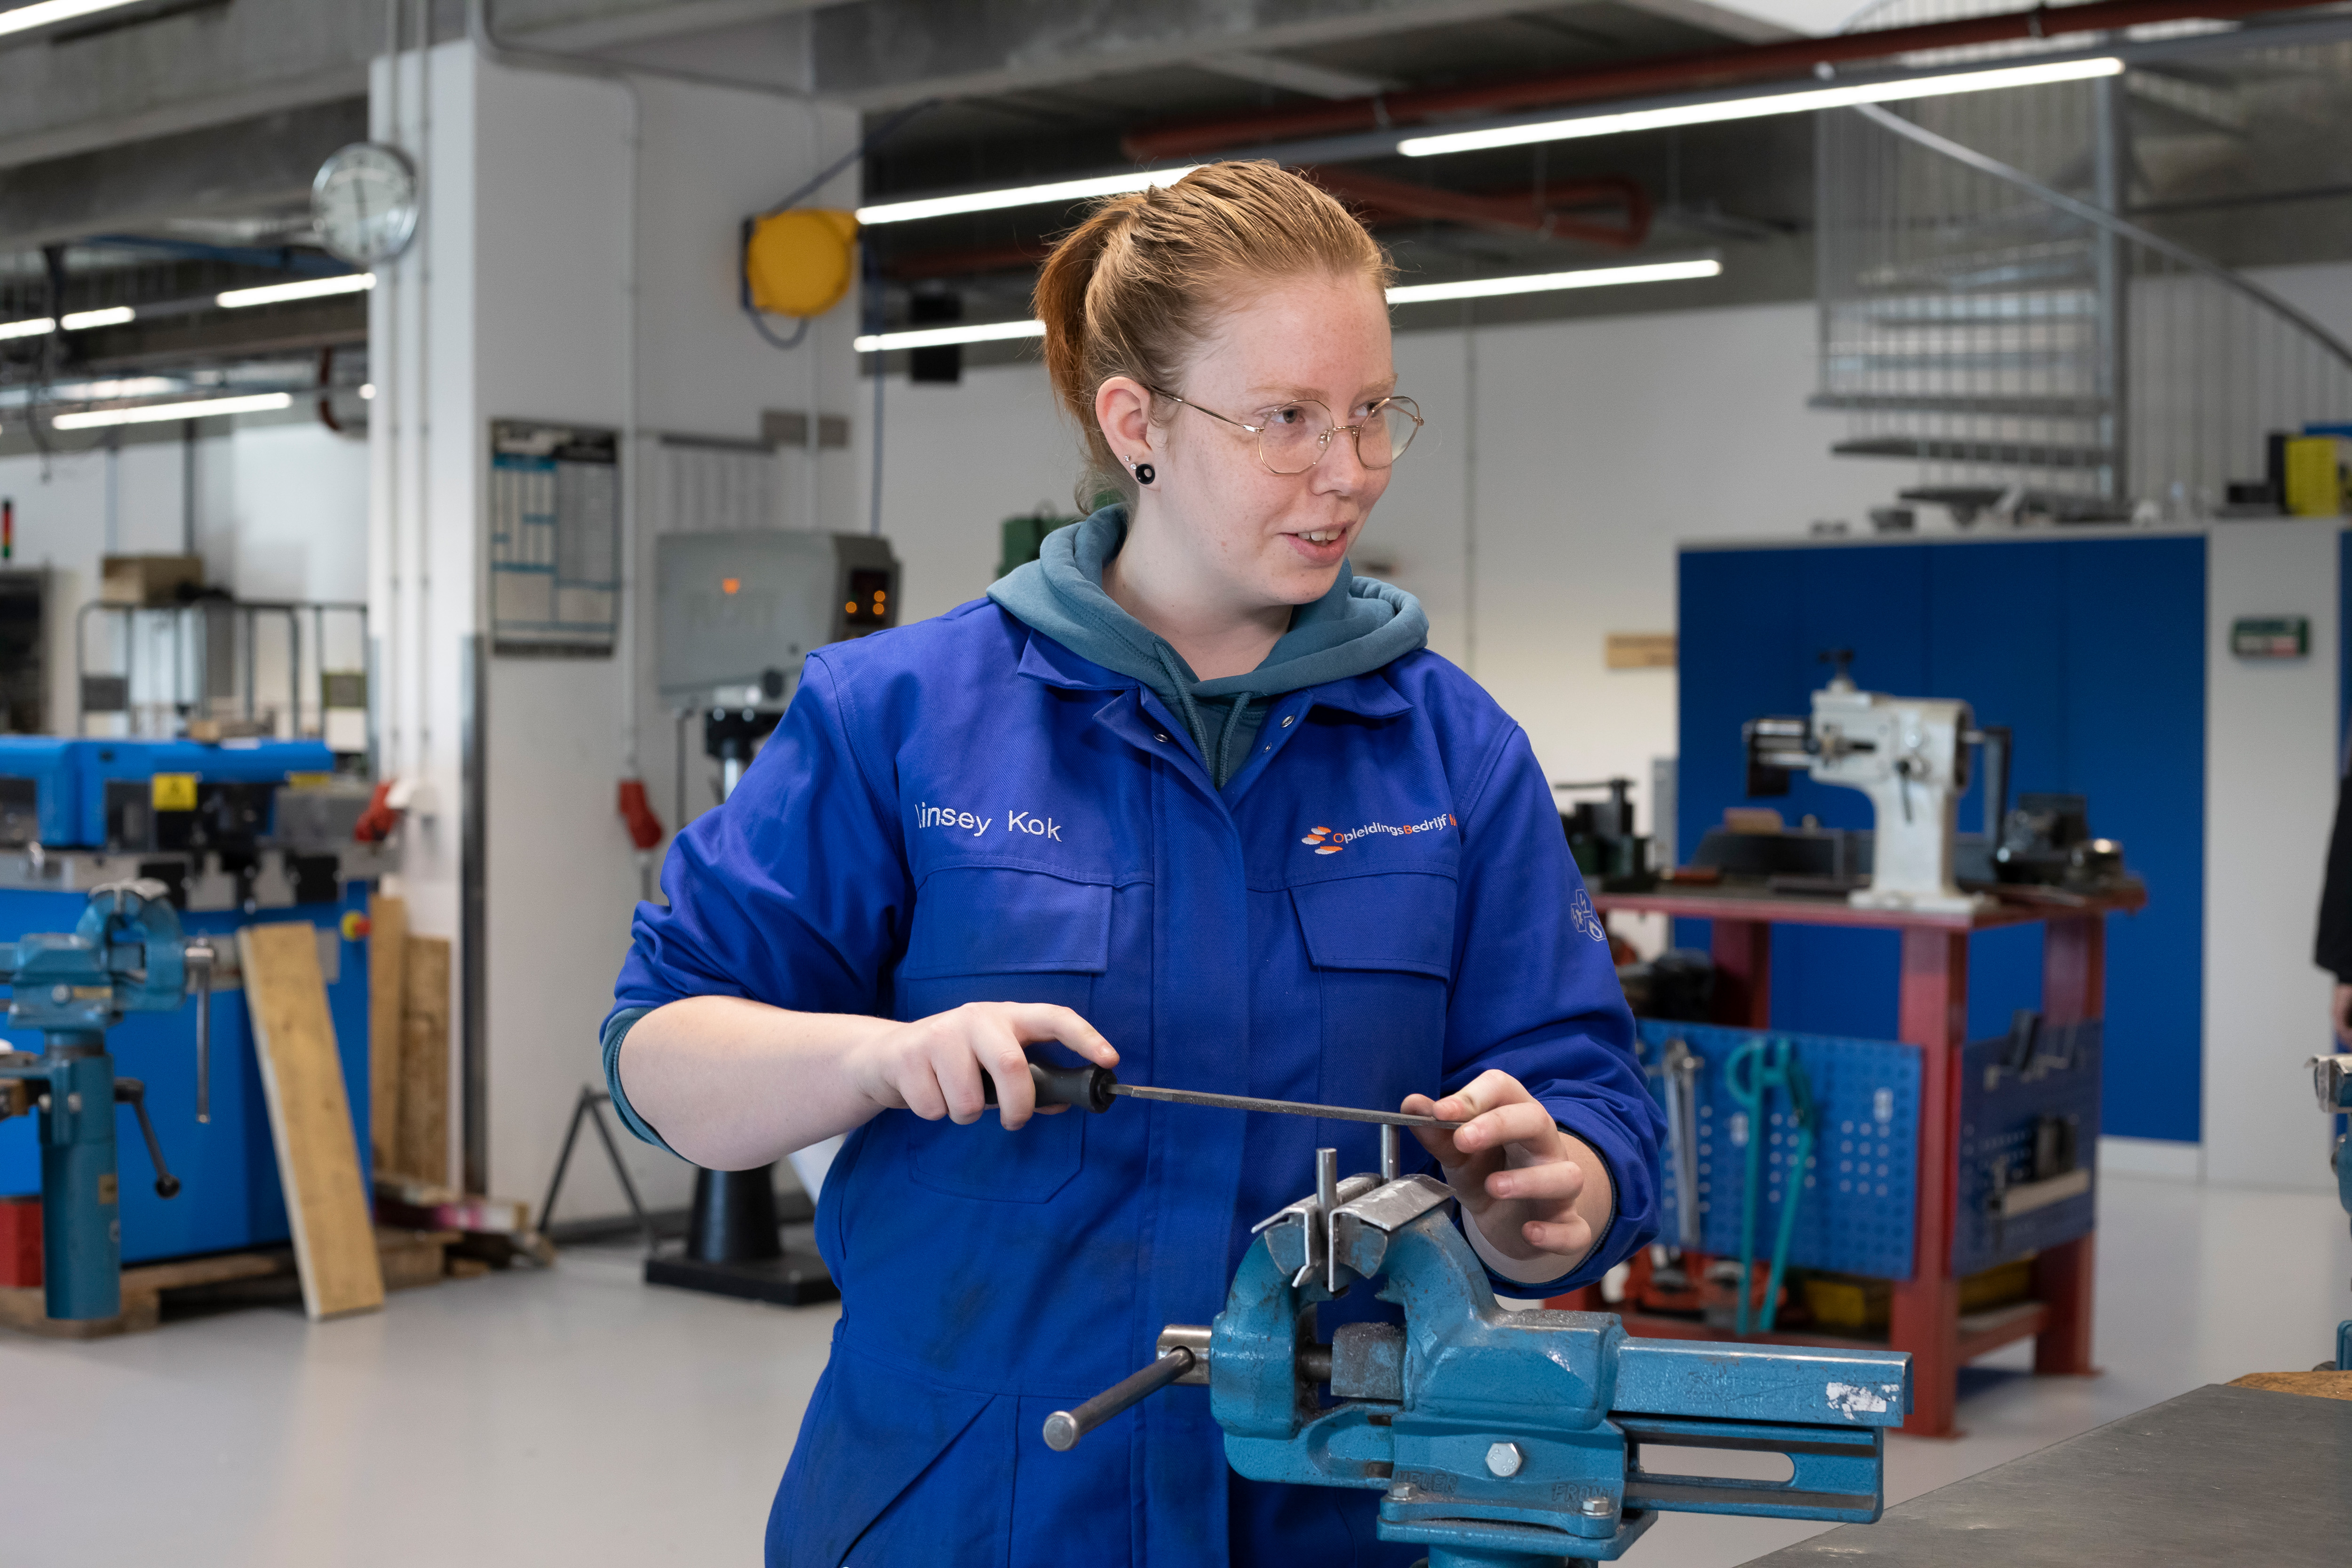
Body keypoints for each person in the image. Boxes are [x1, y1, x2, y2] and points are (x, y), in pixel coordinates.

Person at [603, 161, 1662, 1568]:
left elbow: (1588, 1102)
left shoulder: (1453, 754)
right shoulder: (898, 719)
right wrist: (880, 1059)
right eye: (1286, 419)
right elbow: (660, 1056)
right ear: (1136, 423)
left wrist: (1557, 1195)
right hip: (976, 1515)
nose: (1348, 470)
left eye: (1372, 412)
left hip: (1336, 1513)